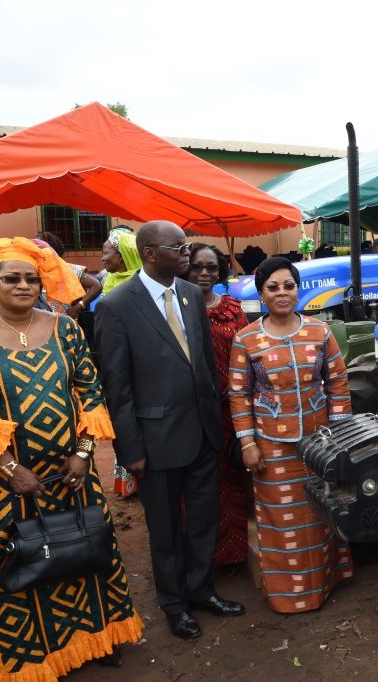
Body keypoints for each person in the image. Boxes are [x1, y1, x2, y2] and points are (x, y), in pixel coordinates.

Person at [0, 237, 142, 677]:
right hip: (8, 482)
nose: (23, 286)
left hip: (73, 474)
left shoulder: (65, 329)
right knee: (21, 560)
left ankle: (98, 637)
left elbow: (90, 389)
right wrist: (12, 469)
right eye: (12, 278)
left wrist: (84, 452)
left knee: (89, 549)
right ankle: (32, 657)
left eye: (31, 278)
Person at [95, 220, 245, 640]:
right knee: (165, 531)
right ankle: (174, 604)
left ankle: (201, 590)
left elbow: (202, 361)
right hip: (155, 442)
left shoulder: (191, 295)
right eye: (177, 246)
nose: (186, 253)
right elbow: (117, 386)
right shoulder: (116, 305)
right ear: (148, 253)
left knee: (203, 519)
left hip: (202, 433)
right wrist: (130, 449)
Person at [228, 257, 354, 613]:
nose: (282, 293)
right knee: (281, 519)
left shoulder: (320, 331)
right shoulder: (246, 339)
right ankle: (290, 597)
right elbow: (238, 394)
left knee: (320, 513)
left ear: (298, 290)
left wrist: (340, 435)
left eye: (289, 286)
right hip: (271, 445)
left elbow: (338, 382)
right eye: (273, 287)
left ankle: (326, 584)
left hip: (320, 443)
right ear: (262, 294)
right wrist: (248, 444)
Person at [186, 243, 250, 569]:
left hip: (231, 412)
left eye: (212, 267)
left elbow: (248, 357)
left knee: (233, 481)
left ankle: (236, 553)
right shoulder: (175, 309)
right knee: (200, 487)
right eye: (197, 266)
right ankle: (202, 559)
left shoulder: (233, 309)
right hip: (192, 416)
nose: (205, 274)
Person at [99, 227, 143, 498]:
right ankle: (128, 485)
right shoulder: (110, 281)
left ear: (124, 254)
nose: (103, 258)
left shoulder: (140, 285)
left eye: (107, 252)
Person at [37, 231, 103, 319]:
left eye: (39, 247)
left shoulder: (68, 269)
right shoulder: (35, 270)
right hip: (40, 324)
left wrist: (78, 306)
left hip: (66, 325)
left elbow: (96, 285)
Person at [101, 226, 142, 295]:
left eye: (105, 253)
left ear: (121, 256)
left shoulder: (142, 283)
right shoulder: (108, 278)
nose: (102, 259)